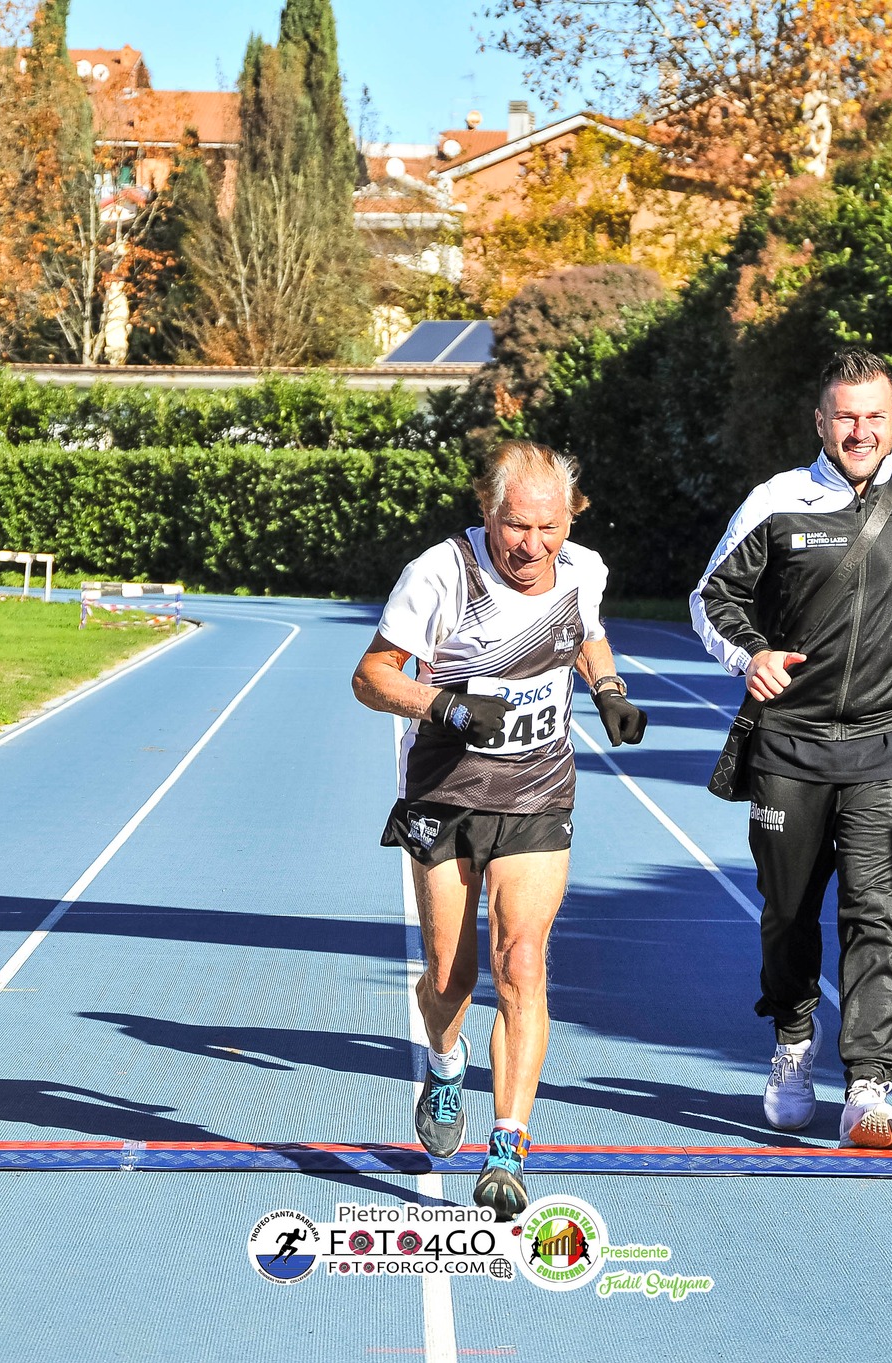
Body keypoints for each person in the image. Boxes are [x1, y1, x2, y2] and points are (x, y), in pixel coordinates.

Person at [692, 347, 892, 1146]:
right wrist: (748, 654)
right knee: (789, 912)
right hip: (789, 742)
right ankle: (793, 1040)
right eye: (844, 415)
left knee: (875, 908)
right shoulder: (777, 502)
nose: (859, 430)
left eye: (874, 416)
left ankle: (869, 1083)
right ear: (820, 421)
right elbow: (711, 595)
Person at [351, 441, 648, 1217]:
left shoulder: (582, 567)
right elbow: (372, 675)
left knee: (522, 960)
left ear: (568, 519)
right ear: (489, 512)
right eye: (518, 526)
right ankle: (444, 1062)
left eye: (550, 528)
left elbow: (585, 629)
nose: (534, 545)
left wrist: (608, 687)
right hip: (446, 792)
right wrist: (443, 705)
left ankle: (509, 1146)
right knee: (451, 975)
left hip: (539, 790)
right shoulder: (441, 573)